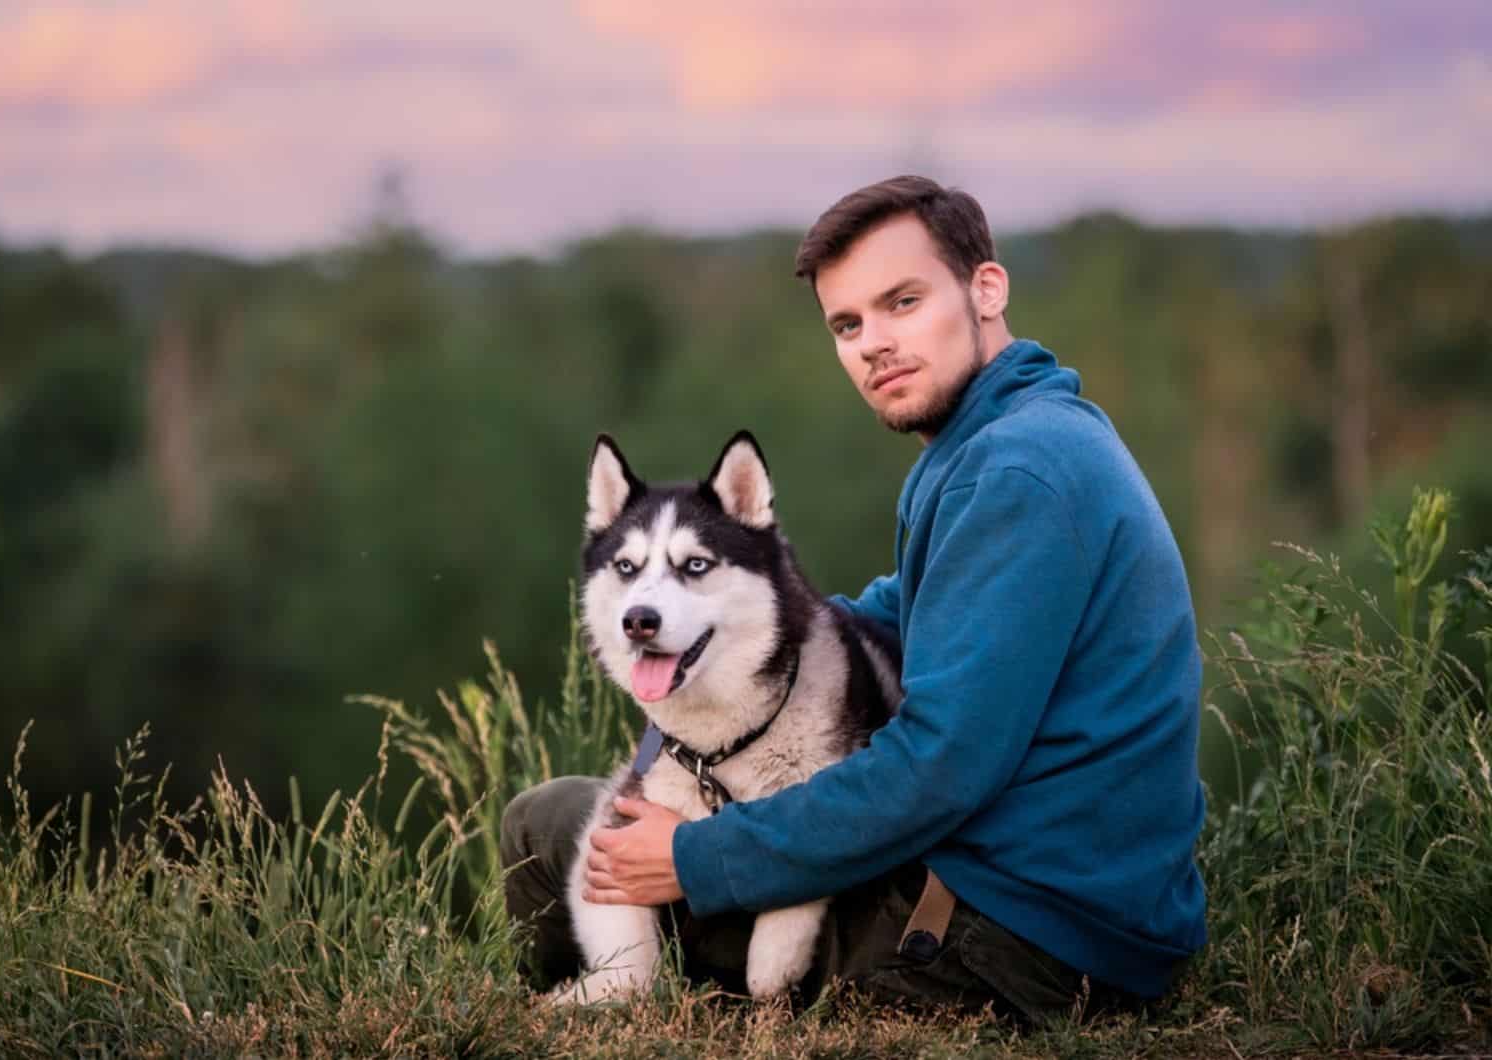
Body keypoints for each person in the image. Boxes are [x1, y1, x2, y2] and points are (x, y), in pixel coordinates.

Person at [500, 175, 1206, 1022]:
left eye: (902, 302)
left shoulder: (1018, 474)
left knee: (552, 828)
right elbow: (901, 613)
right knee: (613, 815)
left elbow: (939, 765)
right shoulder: (1009, 438)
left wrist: (700, 859)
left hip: (1017, 947)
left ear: (986, 288)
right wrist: (730, 631)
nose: (876, 343)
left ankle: (613, 1011)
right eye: (849, 323)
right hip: (1062, 913)